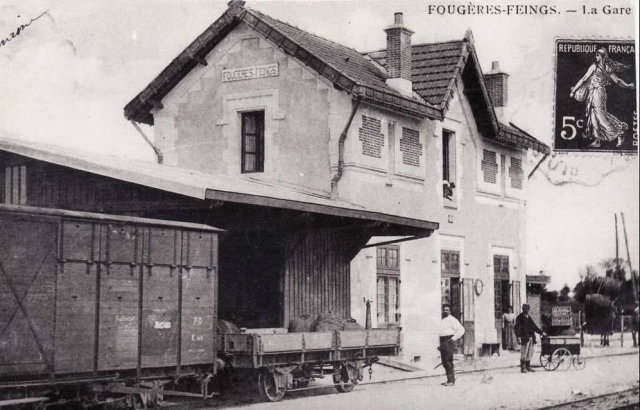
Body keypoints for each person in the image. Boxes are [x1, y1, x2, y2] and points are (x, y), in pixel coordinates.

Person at [569, 48, 635, 148]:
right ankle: (597, 140)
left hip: (597, 92)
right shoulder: (607, 67)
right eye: (596, 55)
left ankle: (619, 132)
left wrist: (574, 91)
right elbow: (617, 81)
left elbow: (584, 78)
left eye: (597, 55)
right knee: (593, 114)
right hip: (597, 92)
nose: (596, 57)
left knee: (599, 114)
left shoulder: (595, 66)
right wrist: (627, 85)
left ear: (602, 56)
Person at [514, 303, 546, 373]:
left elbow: (534, 326)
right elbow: (516, 328)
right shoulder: (519, 318)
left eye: (527, 309)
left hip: (531, 337)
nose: (526, 310)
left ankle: (528, 366)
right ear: (522, 309)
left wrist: (541, 332)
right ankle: (522, 368)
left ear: (529, 310)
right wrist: (519, 337)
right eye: (525, 309)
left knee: (530, 352)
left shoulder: (529, 317)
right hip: (524, 338)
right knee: (524, 352)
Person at [439, 304, 465, 386]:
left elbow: (461, 330)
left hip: (448, 340)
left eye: (447, 310)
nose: (445, 311)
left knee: (448, 361)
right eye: (444, 310)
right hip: (442, 341)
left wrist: (453, 339)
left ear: (450, 311)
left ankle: (451, 381)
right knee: (444, 361)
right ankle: (448, 380)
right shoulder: (443, 320)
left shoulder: (452, 320)